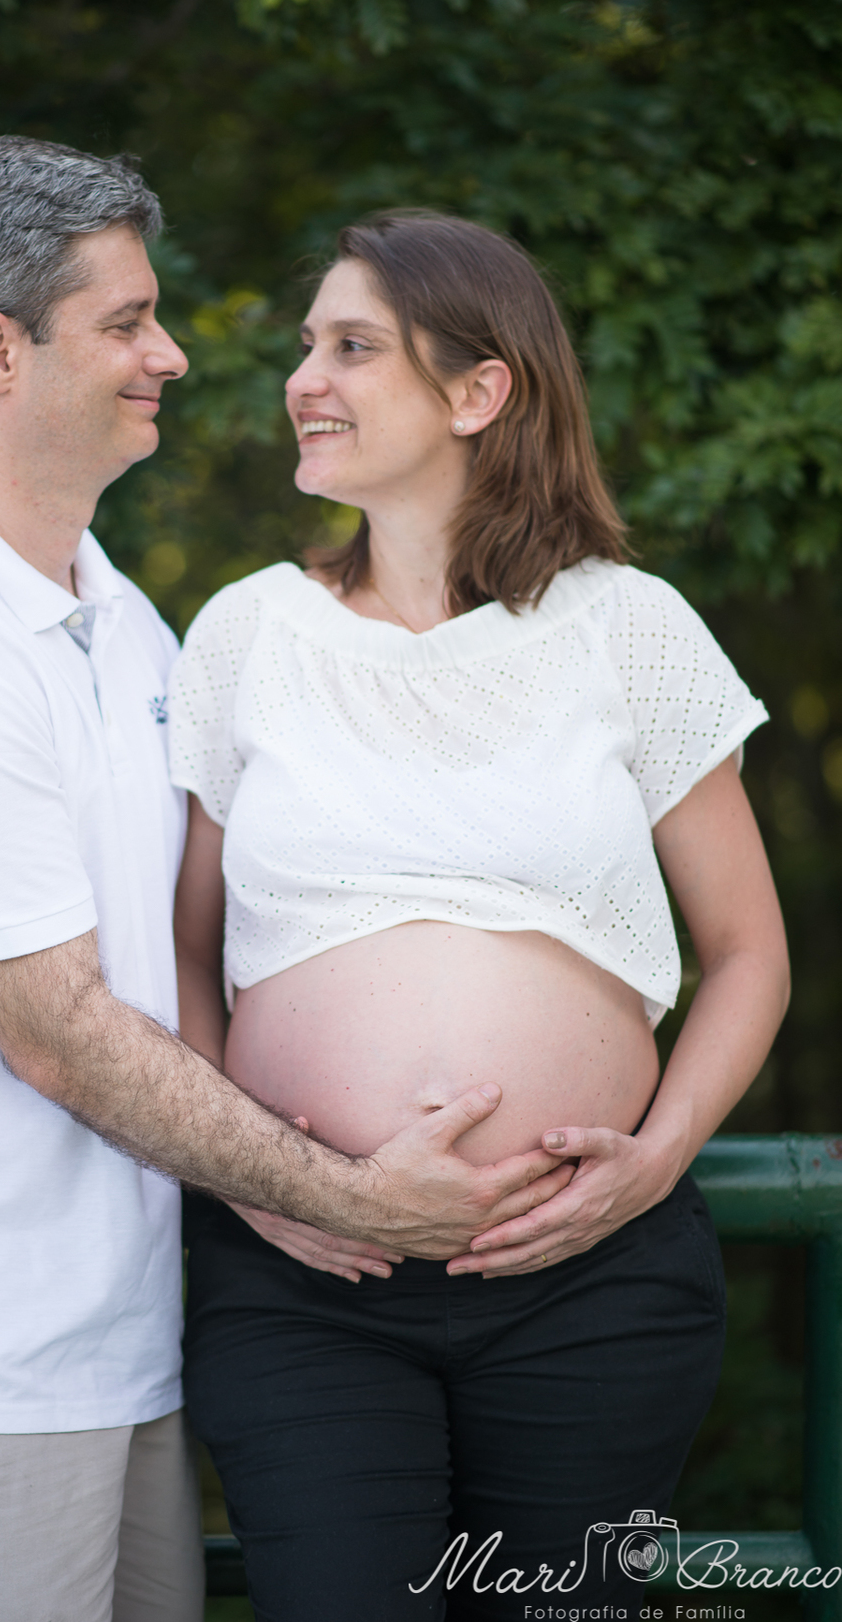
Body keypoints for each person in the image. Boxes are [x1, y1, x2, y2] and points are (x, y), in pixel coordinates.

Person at [0, 146, 574, 1622]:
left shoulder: (114, 614)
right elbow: (54, 1027)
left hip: (110, 1353)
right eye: (127, 321)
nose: (174, 354)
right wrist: (350, 1198)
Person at [168, 209, 791, 1622]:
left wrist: (655, 1160)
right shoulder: (248, 631)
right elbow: (187, 959)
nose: (302, 378)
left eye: (352, 347)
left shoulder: (629, 626)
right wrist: (259, 1182)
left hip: (590, 1284)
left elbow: (751, 954)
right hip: (304, 1289)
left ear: (477, 389)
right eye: (306, 346)